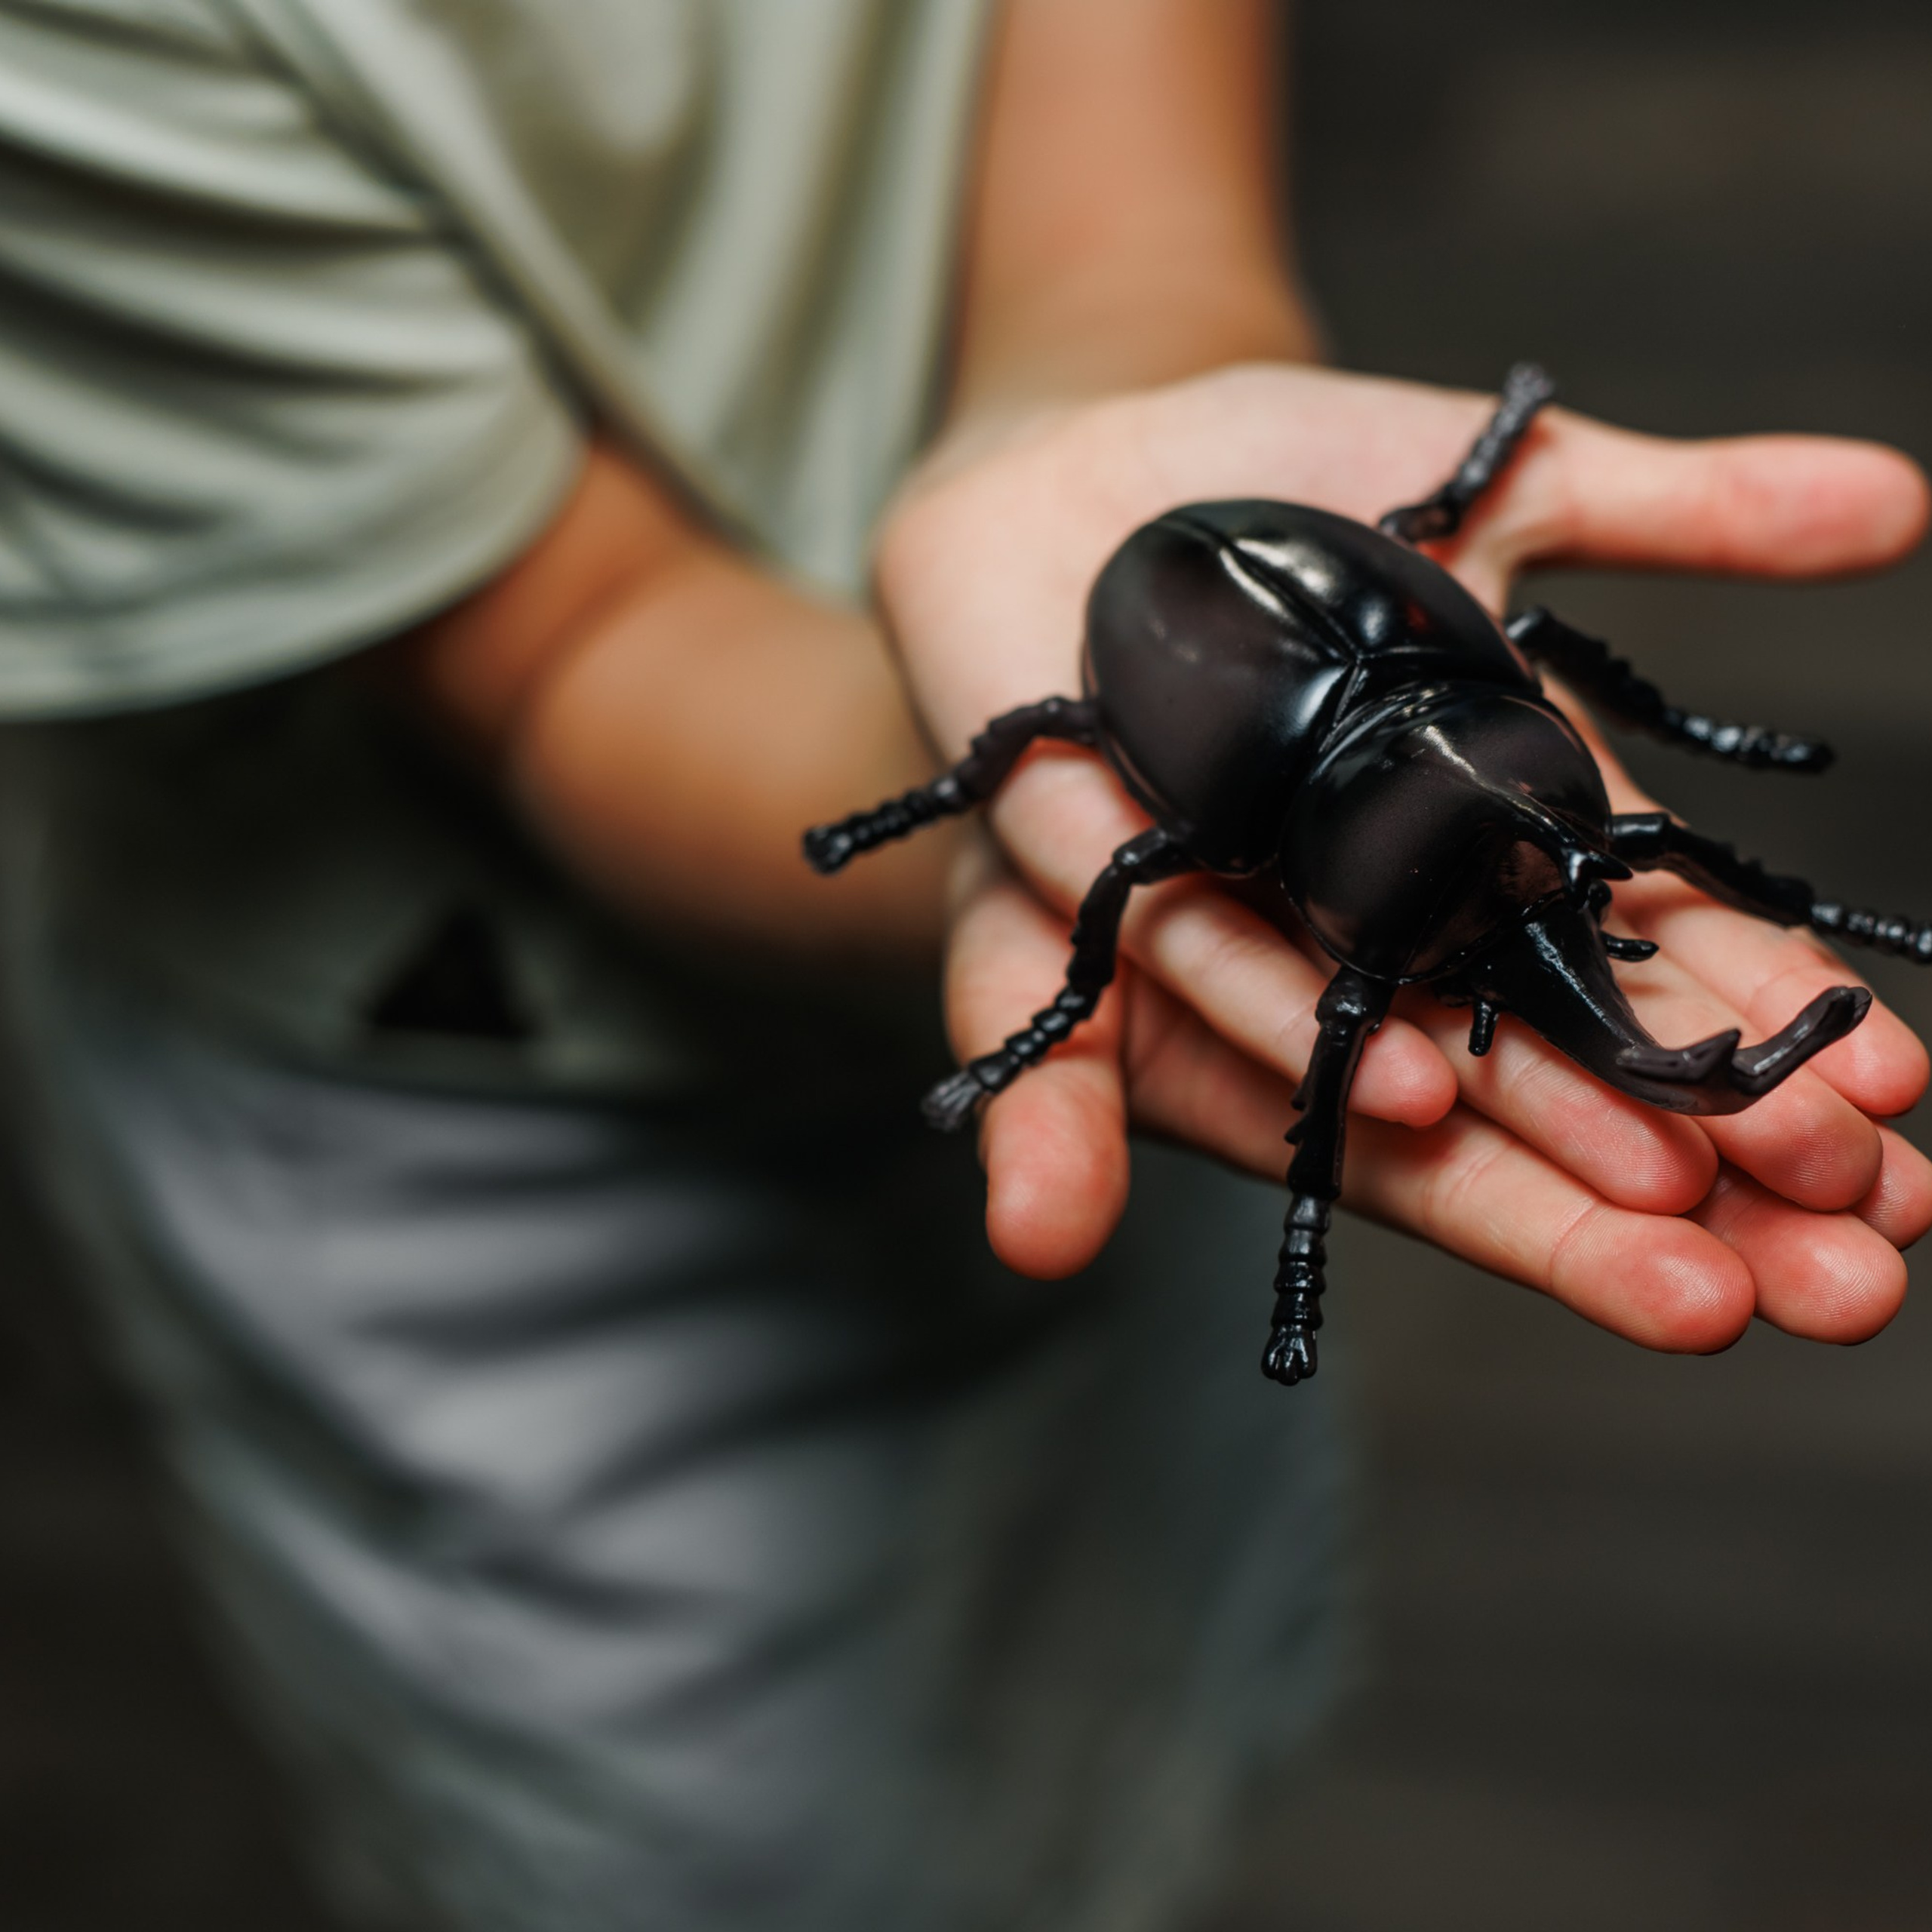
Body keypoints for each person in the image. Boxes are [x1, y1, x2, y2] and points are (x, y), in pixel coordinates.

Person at [0, 2, 1926, 1928]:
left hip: (1237, 665)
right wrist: (1000, 893)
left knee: (1150, 1661)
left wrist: (1113, 363)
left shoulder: (1398, 750)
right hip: (477, 1115)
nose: (1546, 910)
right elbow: (574, 644)